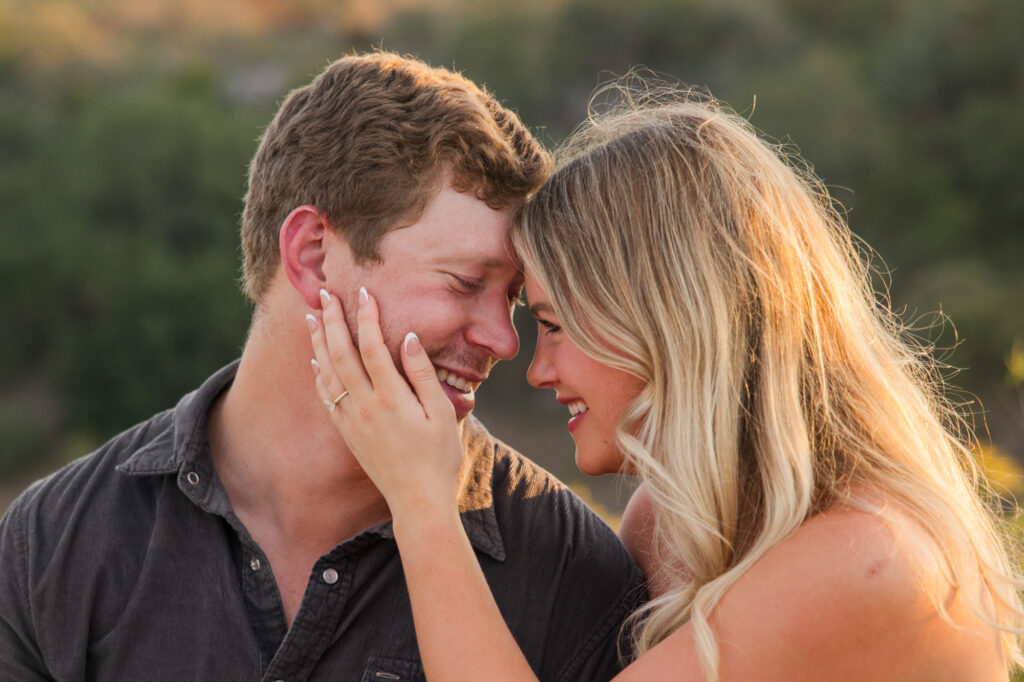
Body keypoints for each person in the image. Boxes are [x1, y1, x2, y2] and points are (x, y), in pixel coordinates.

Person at [307, 82, 1024, 681]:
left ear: (669, 324)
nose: (535, 368)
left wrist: (422, 503)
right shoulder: (670, 525)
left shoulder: (865, 560)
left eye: (554, 325)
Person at [0, 53, 646, 681]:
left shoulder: (573, 575)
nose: (504, 340)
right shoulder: (52, 546)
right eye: (464, 283)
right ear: (311, 256)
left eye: (510, 301)